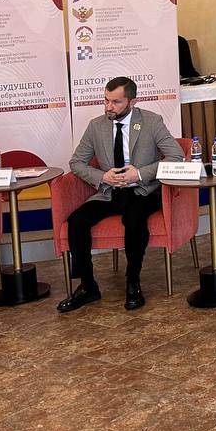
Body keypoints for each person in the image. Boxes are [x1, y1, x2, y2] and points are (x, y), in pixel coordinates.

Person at [57, 76, 184, 312]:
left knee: (134, 220)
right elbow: (77, 162)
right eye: (106, 100)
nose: (109, 107)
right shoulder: (96, 126)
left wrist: (140, 174)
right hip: (109, 191)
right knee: (77, 221)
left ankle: (133, 281)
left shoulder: (151, 121)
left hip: (143, 191)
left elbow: (176, 156)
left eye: (116, 102)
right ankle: (87, 286)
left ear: (132, 102)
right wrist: (102, 177)